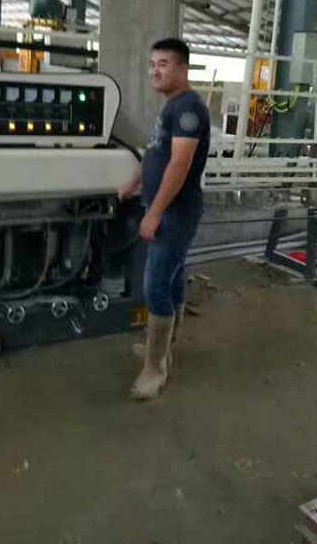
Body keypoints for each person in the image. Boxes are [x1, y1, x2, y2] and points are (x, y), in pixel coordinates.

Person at [118, 38, 210, 400]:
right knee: (171, 277)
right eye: (152, 64)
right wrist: (134, 183)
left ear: (183, 68)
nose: (155, 71)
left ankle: (154, 369)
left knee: (155, 283)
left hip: (175, 212)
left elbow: (179, 165)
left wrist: (154, 213)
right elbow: (156, 152)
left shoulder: (188, 110)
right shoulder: (171, 106)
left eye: (164, 64)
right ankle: (165, 347)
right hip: (166, 208)